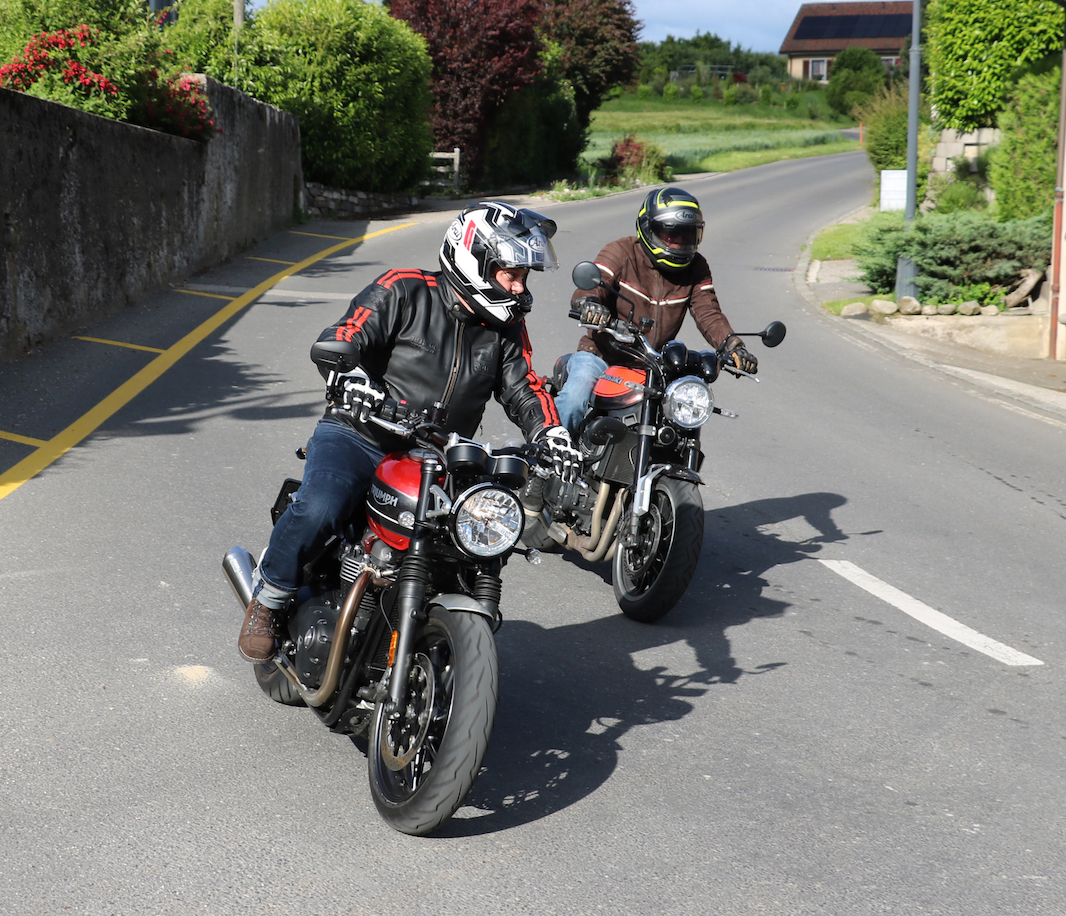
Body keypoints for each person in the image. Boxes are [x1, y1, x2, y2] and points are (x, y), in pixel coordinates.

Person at [237, 201, 582, 662]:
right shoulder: (404, 289)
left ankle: (448, 631)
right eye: (510, 274)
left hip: (439, 456)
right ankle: (271, 596)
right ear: (473, 259)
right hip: (360, 434)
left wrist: (551, 433)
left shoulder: (505, 330)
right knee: (321, 504)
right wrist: (350, 376)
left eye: (524, 276)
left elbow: (525, 389)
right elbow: (347, 334)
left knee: (482, 533)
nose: (520, 288)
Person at [554, 186, 757, 436]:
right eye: (670, 234)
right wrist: (590, 305)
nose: (678, 242)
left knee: (684, 414)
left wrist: (732, 346)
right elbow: (595, 284)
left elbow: (709, 312)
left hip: (654, 366)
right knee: (575, 397)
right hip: (602, 356)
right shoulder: (621, 252)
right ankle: (551, 454)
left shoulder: (696, 267)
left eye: (686, 235)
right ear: (648, 228)